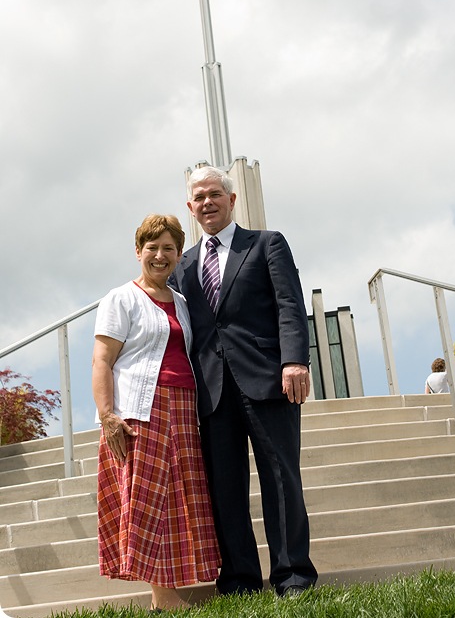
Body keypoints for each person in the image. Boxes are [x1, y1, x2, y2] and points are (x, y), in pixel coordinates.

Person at [169, 166, 317, 598]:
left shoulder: (267, 244)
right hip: (211, 393)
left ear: (232, 200)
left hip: (269, 381)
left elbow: (290, 303)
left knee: (281, 479)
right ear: (190, 207)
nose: (208, 202)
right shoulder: (184, 265)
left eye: (215, 194)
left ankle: (293, 576)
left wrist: (294, 361)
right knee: (225, 490)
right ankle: (239, 580)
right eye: (199, 197)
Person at [92, 214, 220, 612]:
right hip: (140, 410)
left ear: (179, 255)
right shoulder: (121, 298)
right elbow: (101, 361)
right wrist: (108, 416)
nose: (160, 255)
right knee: (148, 500)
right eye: (153, 248)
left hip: (183, 409)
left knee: (177, 498)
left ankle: (167, 594)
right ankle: (163, 597)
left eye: (169, 249)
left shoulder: (181, 302)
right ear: (138, 252)